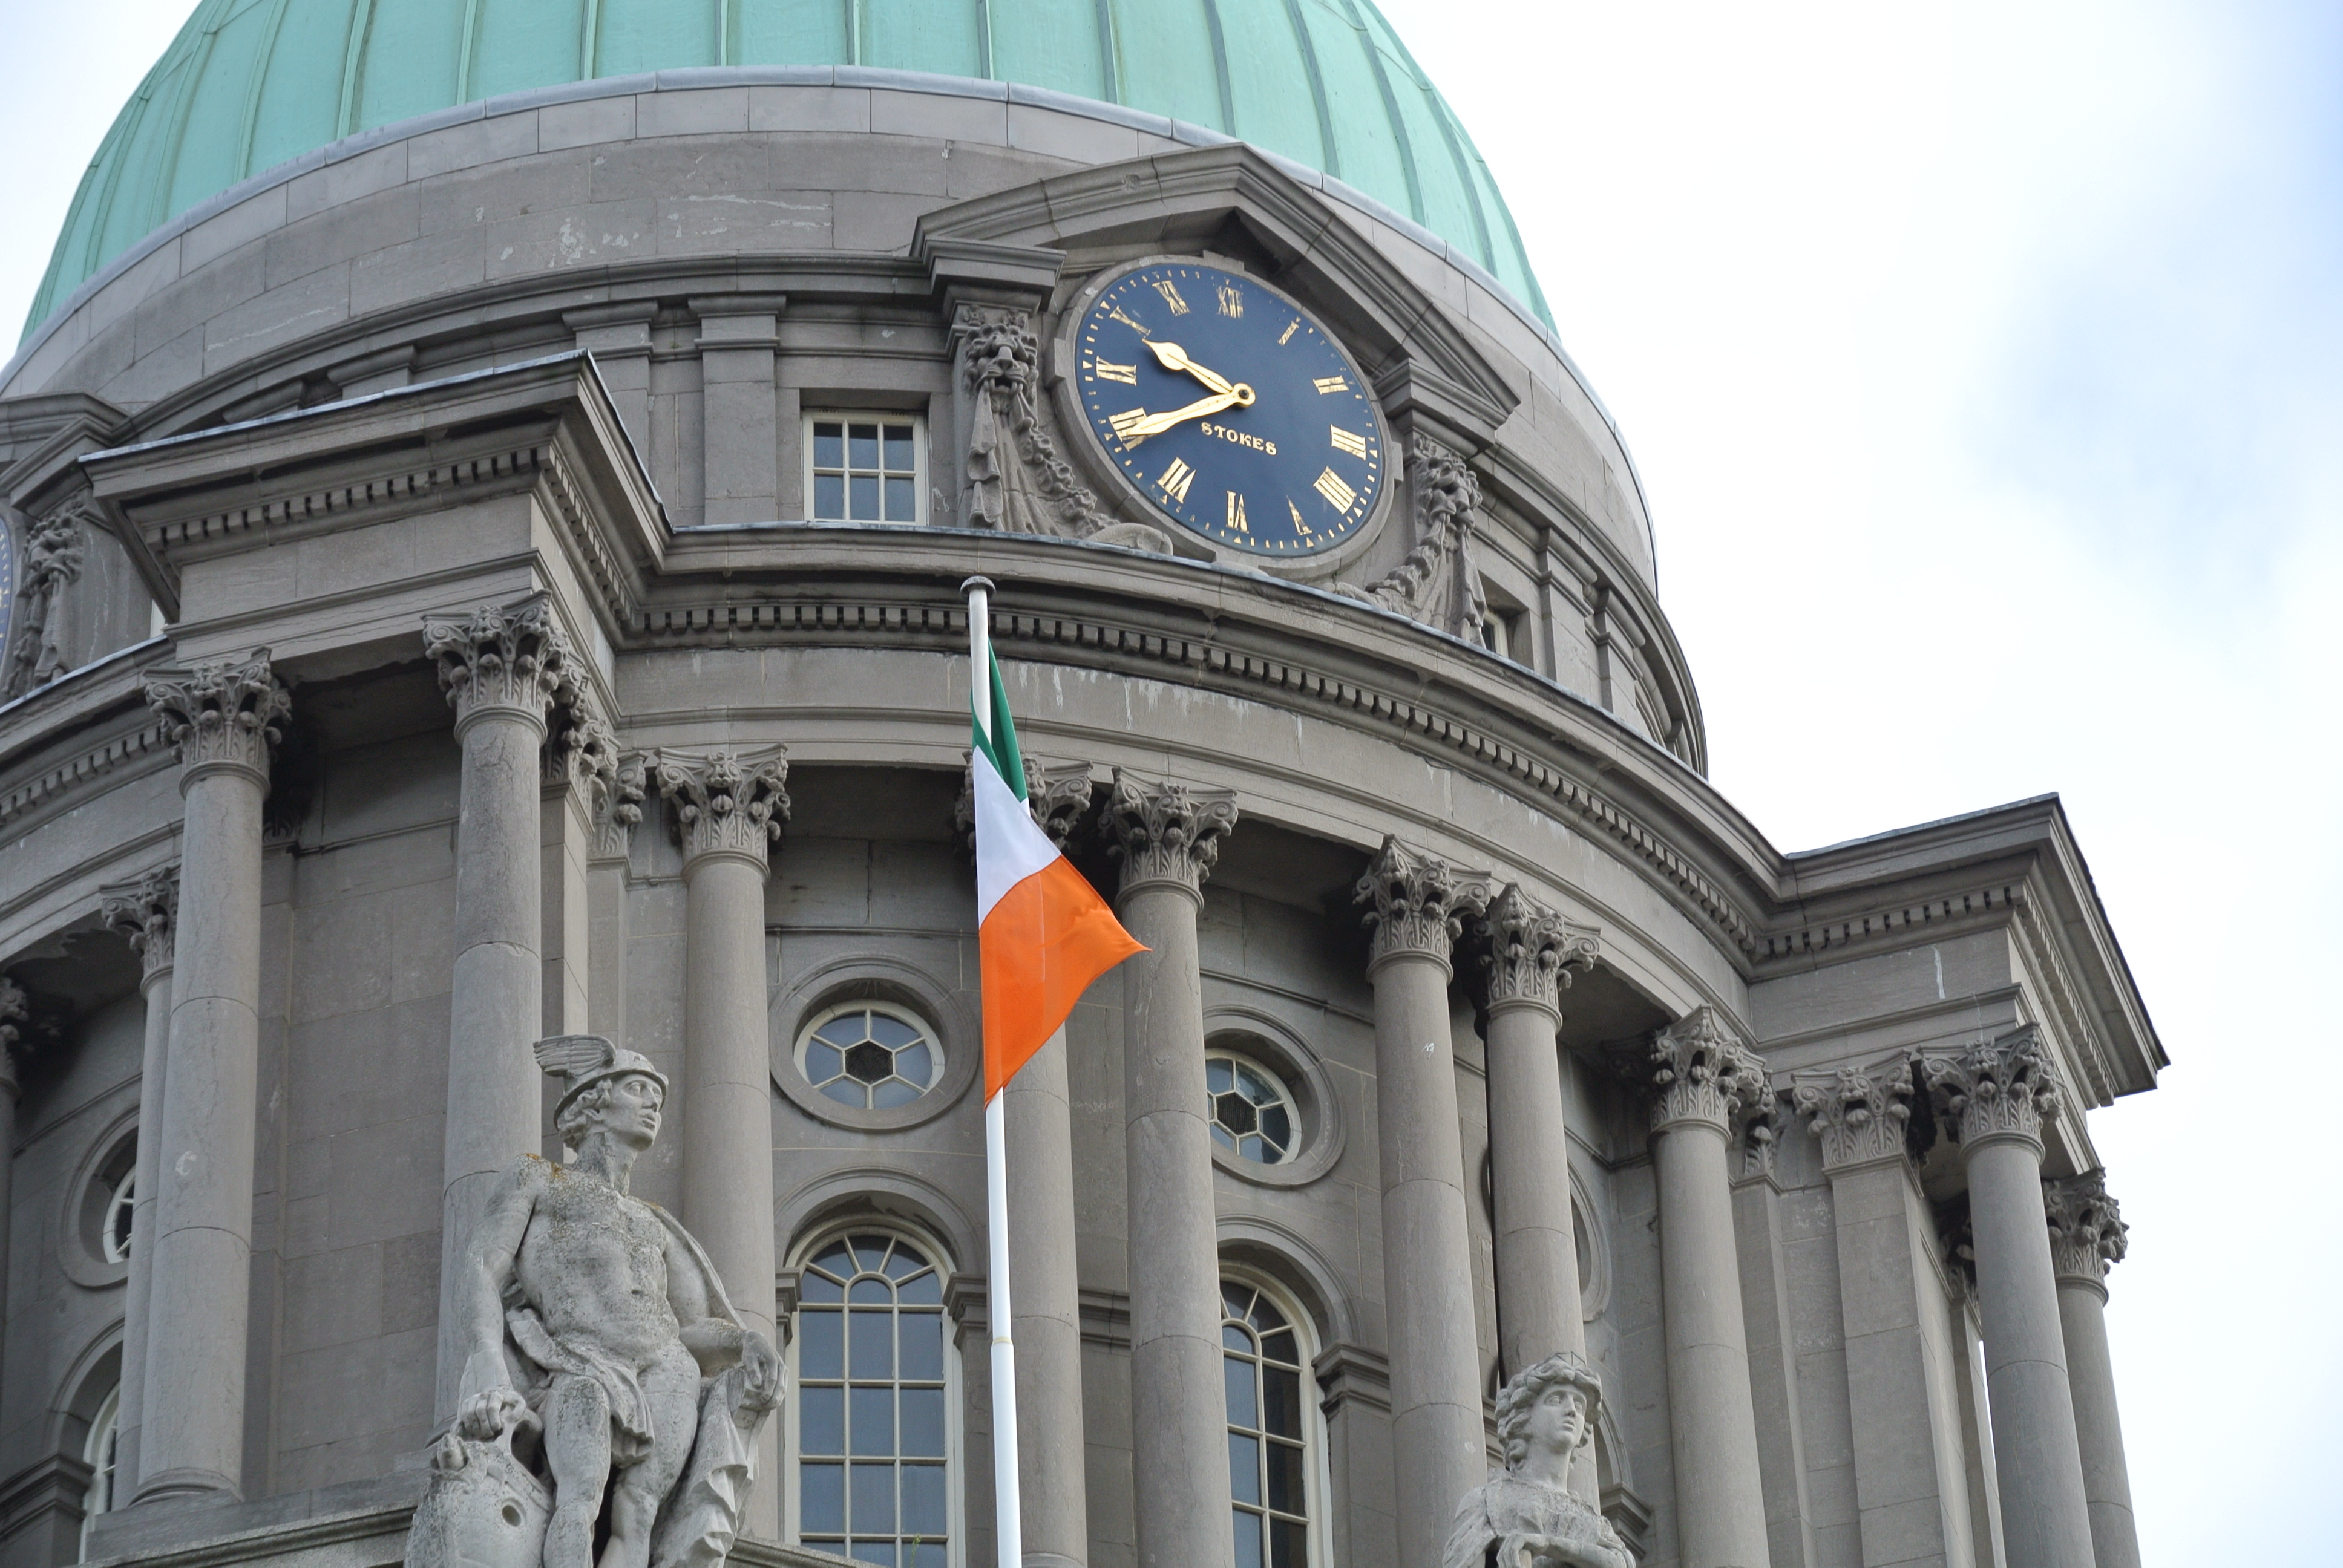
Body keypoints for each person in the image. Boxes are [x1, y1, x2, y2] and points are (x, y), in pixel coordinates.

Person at [450, 1035, 781, 1568]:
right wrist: (490, 1369)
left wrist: (744, 1341)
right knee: (579, 1498)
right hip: (580, 1361)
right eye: (637, 1089)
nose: (653, 1105)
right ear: (594, 1102)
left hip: (666, 1369)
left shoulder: (652, 1221)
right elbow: (483, 1269)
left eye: (658, 1097)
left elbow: (690, 1327)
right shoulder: (539, 1179)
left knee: (641, 1512)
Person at [1441, 1352, 1635, 1568]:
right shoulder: (1489, 1503)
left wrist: (1549, 1545)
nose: (1571, 1410)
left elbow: (1623, 1564)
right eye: (1556, 1400)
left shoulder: (1594, 1522)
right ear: (1525, 1416)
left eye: (1579, 1405)